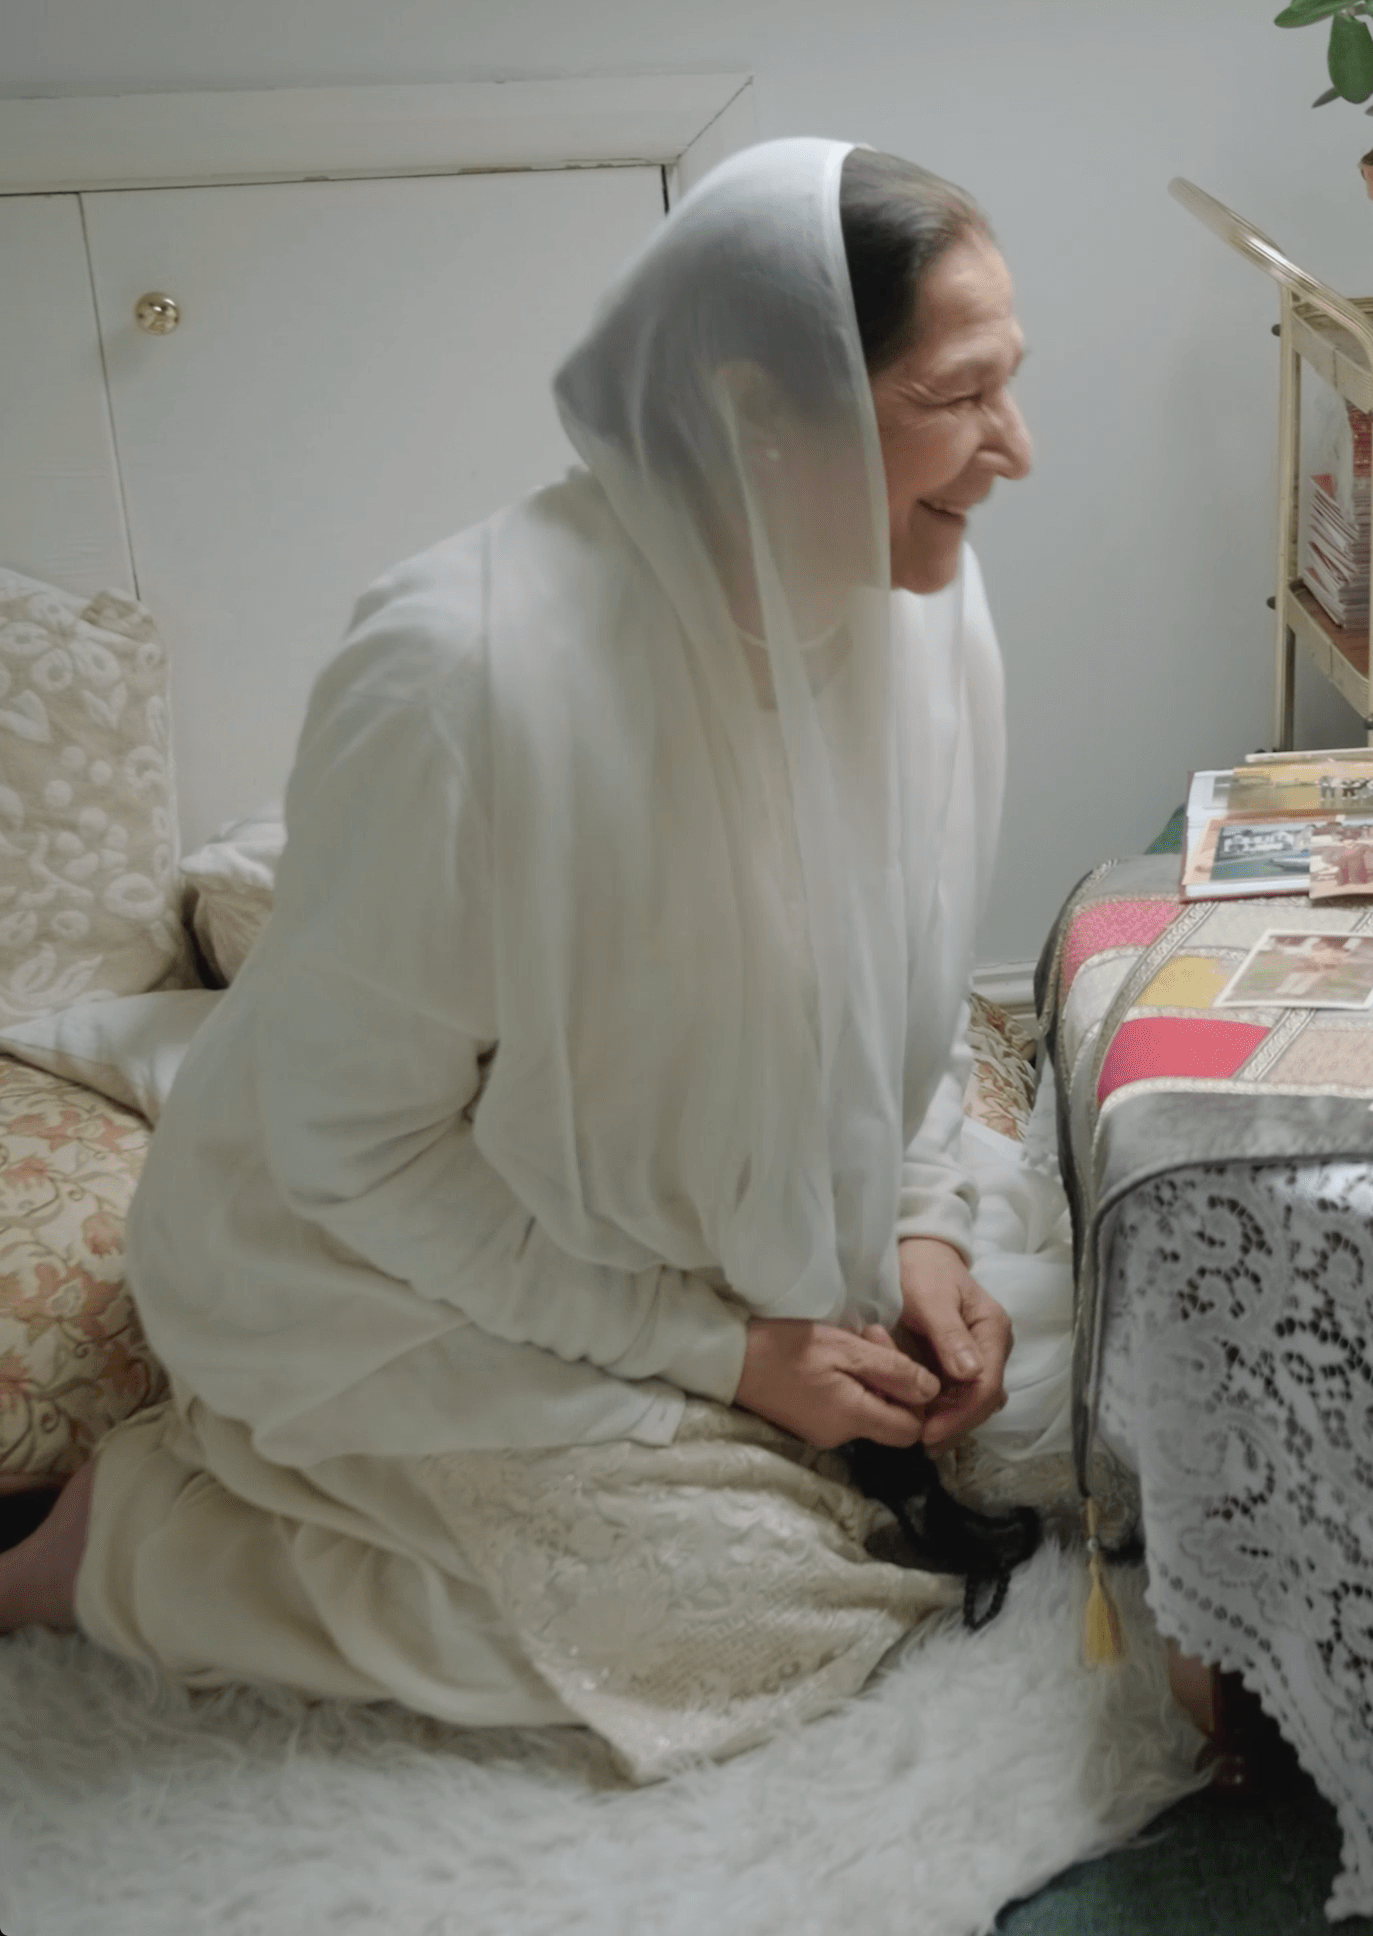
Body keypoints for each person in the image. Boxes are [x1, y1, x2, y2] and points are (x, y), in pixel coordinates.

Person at [0, 140, 1076, 1780]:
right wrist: (727, 1354)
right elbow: (353, 1153)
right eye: (960, 397)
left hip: (707, 1190)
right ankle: (125, 1541)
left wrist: (921, 1222)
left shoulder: (916, 599)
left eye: (1011, 388)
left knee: (1066, 1427)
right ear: (756, 403)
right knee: (742, 1607)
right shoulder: (460, 679)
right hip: (376, 1247)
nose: (1017, 451)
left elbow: (889, 974)